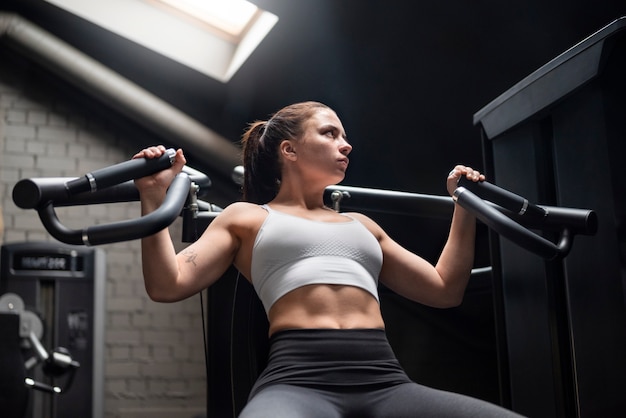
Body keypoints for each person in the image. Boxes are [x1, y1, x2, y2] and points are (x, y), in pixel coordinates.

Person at [134, 101, 524, 417]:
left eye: (344, 136)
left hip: (384, 379)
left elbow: (444, 289)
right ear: (289, 150)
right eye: (329, 133)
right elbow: (168, 284)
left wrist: (464, 206)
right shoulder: (246, 216)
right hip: (297, 380)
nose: (346, 144)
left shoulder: (362, 225)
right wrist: (153, 197)